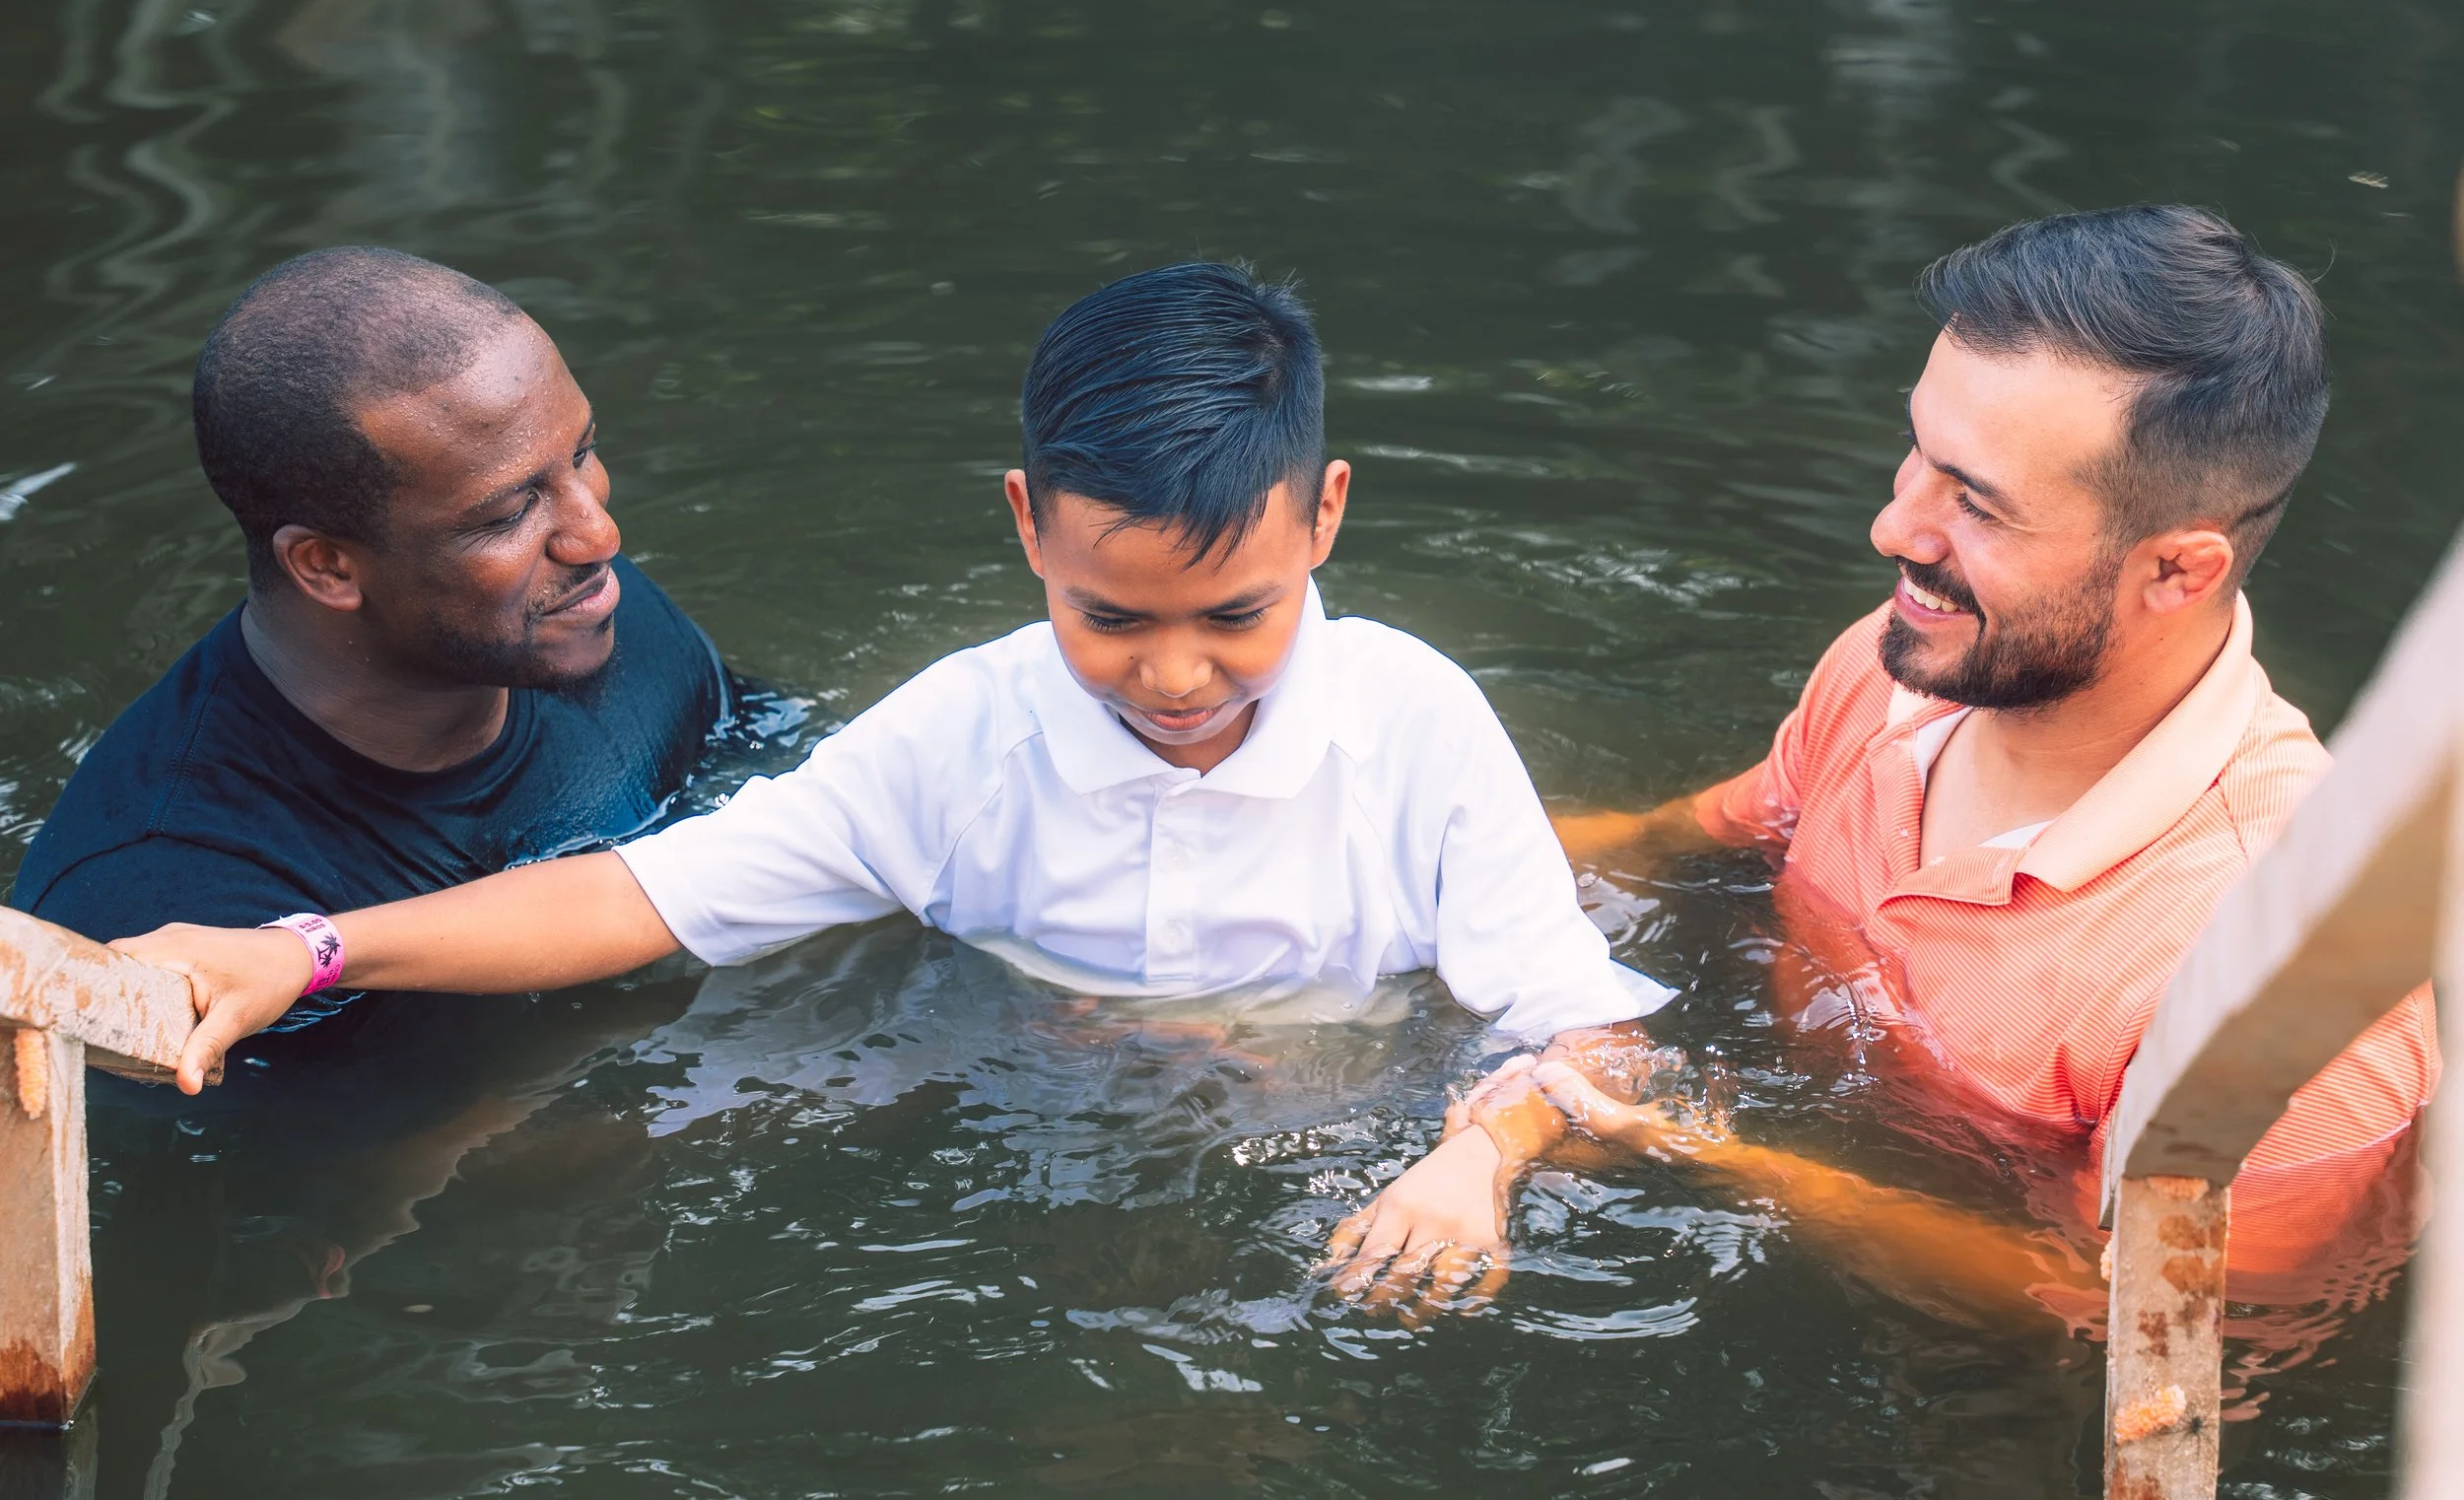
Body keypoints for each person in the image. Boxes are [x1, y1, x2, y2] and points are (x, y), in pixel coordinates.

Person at [116, 261, 1675, 1319]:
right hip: (1047, 1145)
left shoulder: (1415, 723)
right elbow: (639, 894)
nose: (1180, 677)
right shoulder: (956, 738)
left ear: (1326, 513)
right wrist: (310, 947)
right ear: (1027, 530)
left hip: (1362, 1149)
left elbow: (1594, 1030)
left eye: (1238, 617)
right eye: (1112, 619)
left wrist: (1479, 1159)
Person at [1495, 205, 2438, 1311]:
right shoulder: (1908, 663)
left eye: (1975, 505)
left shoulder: (2289, 971)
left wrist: (1709, 1158)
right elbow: (1705, 832)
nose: (1894, 529)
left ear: (2178, 571)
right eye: (1918, 454)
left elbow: (2159, 1322)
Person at [12, 244, 733, 981]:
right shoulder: (177, 902)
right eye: (513, 511)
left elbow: (782, 798)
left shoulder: (579, 610)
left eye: (582, 454)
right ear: (327, 566)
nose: (599, 535)